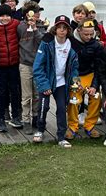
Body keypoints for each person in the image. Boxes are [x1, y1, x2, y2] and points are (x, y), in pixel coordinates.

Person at [32, 15, 79, 148]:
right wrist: (44, 85)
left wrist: (75, 81)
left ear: (68, 30)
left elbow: (75, 67)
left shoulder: (72, 45)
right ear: (55, 28)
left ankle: (61, 137)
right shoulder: (46, 43)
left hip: (62, 82)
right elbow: (37, 67)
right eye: (59, 27)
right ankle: (40, 130)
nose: (62, 30)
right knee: (44, 107)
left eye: (65, 28)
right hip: (47, 81)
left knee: (61, 108)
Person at [67, 19, 104, 140]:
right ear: (78, 31)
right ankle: (72, 126)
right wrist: (75, 82)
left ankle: (90, 125)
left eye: (91, 34)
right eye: (86, 34)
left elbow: (99, 68)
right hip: (75, 75)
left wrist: (94, 86)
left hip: (90, 75)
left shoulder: (97, 46)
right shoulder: (70, 42)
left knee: (96, 97)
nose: (89, 37)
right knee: (74, 99)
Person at [0, 4, 22, 131]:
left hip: (14, 64)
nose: (5, 18)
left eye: (7, 15)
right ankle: (1, 119)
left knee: (15, 91)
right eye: (2, 16)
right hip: (0, 66)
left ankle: (16, 117)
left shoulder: (16, 24)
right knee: (1, 92)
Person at [17, 0, 46, 135]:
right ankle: (25, 120)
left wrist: (35, 28)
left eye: (38, 13)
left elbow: (43, 42)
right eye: (34, 13)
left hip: (38, 65)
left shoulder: (41, 26)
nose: (36, 15)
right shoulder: (21, 26)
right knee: (27, 95)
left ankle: (35, 117)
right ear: (27, 15)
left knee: (36, 95)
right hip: (25, 64)